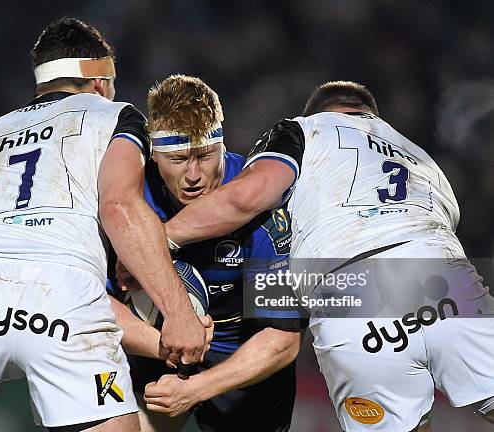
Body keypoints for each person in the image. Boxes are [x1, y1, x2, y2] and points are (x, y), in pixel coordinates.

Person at [0, 17, 205, 432]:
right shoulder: (113, 116)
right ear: (102, 80)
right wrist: (178, 313)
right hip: (66, 313)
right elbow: (120, 206)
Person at [163, 81, 494, 431]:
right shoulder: (427, 161)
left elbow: (249, 197)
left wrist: (161, 239)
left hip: (348, 292)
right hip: (443, 278)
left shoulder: (304, 129)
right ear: (372, 118)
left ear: (318, 113)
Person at [108, 75, 304, 432]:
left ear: (222, 146)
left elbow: (282, 340)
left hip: (242, 365)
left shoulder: (259, 212)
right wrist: (166, 346)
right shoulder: (129, 202)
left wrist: (195, 388)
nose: (194, 175)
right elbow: (91, 303)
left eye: (205, 155)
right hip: (158, 351)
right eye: (179, 159)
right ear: (153, 154)